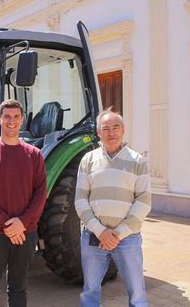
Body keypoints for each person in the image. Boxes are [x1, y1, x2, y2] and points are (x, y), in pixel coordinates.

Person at [0, 99, 47, 307]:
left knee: (18, 287)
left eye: (16, 117)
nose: (11, 121)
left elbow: (40, 193)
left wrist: (22, 223)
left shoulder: (34, 155)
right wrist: (8, 224)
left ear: (22, 120)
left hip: (25, 233)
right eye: (7, 116)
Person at [75, 109, 151, 307]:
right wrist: (101, 232)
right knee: (90, 290)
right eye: (105, 129)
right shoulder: (88, 160)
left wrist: (117, 234)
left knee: (137, 294)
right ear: (99, 133)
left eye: (115, 127)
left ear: (123, 130)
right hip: (94, 237)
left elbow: (143, 202)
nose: (111, 133)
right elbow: (80, 200)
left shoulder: (138, 161)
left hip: (128, 239)